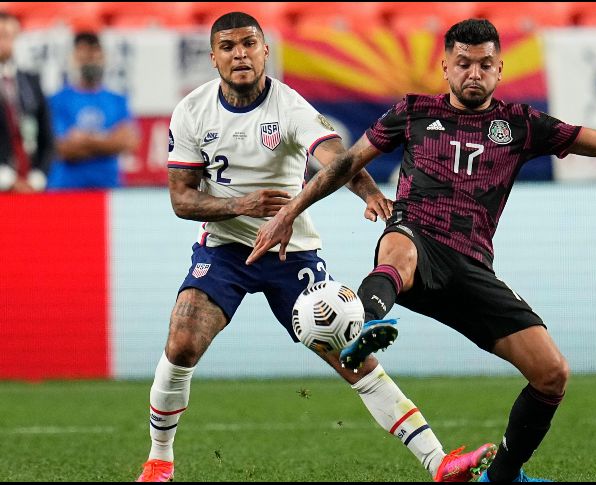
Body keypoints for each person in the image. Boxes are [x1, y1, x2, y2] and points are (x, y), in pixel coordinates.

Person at [247, 18, 596, 482]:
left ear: (500, 69)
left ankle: (502, 475)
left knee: (552, 374)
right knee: (398, 246)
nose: (473, 73)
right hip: (416, 238)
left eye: (484, 64)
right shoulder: (414, 112)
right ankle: (368, 321)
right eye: (463, 63)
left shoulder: (521, 123)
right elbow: (344, 163)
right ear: (445, 66)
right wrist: (291, 211)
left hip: (472, 266)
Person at [135, 12, 496, 483]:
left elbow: (337, 159)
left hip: (293, 254)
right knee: (182, 342)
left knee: (352, 358)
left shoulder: (289, 107)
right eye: (228, 46)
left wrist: (369, 194)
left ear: (266, 51)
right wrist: (242, 204)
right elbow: (182, 200)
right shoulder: (192, 111)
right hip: (224, 249)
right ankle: (159, 460)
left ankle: (439, 462)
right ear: (213, 58)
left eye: (249, 43)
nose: (239, 53)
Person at [47, 32, 138, 190]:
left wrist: (83, 139)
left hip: (108, 191)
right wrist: (107, 141)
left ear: (104, 58)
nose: (91, 62)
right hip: (65, 190)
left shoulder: (117, 100)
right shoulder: (57, 100)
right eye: (84, 57)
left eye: (95, 56)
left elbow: (128, 142)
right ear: (74, 59)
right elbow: (62, 149)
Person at [0, 11, 54, 193]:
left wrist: (37, 177)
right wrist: (6, 179)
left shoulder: (30, 81)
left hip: (31, 185)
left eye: (6, 35)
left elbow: (47, 136)